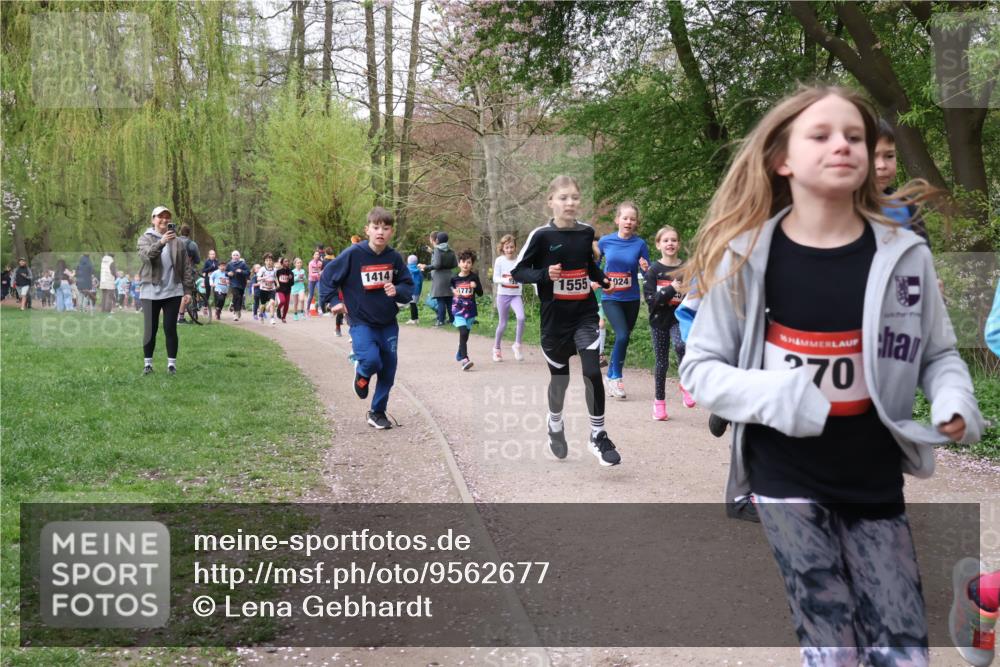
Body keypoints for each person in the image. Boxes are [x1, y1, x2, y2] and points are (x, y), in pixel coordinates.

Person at [679, 85, 984, 665]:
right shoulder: (744, 256)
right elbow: (700, 370)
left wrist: (953, 401)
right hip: (784, 473)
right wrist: (782, 393)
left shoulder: (903, 254)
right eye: (821, 135)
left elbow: (938, 354)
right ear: (782, 159)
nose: (842, 145)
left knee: (900, 646)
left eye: (855, 137)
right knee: (832, 642)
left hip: (871, 471)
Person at [512, 175, 619, 467]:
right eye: (563, 198)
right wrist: (545, 275)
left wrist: (602, 279)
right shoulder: (541, 236)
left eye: (574, 197)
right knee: (560, 380)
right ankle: (555, 424)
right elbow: (518, 272)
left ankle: (598, 435)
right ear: (551, 202)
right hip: (554, 322)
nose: (570, 203)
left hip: (584, 315)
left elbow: (589, 266)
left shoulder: (587, 232)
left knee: (592, 372)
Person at [319, 207, 414, 430]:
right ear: (367, 230)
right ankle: (362, 373)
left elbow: (408, 285)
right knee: (372, 360)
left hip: (388, 321)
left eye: (386, 228)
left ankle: (377, 412)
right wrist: (334, 302)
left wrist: (397, 290)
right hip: (361, 320)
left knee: (388, 369)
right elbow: (327, 277)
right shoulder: (353, 254)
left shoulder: (394, 258)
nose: (380, 232)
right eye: (376, 227)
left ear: (391, 232)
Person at [598, 201, 650, 399]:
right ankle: (617, 377)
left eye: (632, 219)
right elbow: (595, 265)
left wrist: (646, 268)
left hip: (632, 298)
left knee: (624, 338)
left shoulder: (640, 244)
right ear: (617, 220)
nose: (628, 221)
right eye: (625, 218)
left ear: (636, 223)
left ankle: (610, 375)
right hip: (611, 297)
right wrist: (596, 281)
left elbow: (648, 273)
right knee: (621, 335)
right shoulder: (605, 241)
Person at [137, 205, 194, 375]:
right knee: (150, 329)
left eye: (167, 217)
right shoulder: (144, 238)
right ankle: (148, 364)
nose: (164, 220)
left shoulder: (178, 242)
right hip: (150, 291)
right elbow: (146, 257)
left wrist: (188, 290)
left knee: (170, 328)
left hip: (173, 291)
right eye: (160, 217)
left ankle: (171, 365)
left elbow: (186, 267)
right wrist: (161, 242)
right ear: (153, 219)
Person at [644, 226, 693, 421]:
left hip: (680, 318)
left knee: (682, 345)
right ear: (658, 245)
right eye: (665, 240)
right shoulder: (654, 271)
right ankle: (659, 403)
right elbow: (651, 301)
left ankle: (686, 384)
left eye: (673, 240)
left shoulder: (687, 267)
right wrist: (671, 289)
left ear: (678, 244)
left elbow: (695, 292)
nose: (670, 243)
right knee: (661, 363)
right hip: (659, 320)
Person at [875, 120, 930, 244]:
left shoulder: (907, 207)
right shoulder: (837, 208)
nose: (882, 165)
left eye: (889, 156)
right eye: (872, 156)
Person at [492, 234, 526, 362]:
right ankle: (496, 349)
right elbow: (495, 278)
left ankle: (517, 345)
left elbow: (524, 277)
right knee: (503, 323)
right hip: (503, 295)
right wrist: (507, 279)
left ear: (515, 247)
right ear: (503, 248)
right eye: (507, 247)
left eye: (512, 247)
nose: (509, 249)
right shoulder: (499, 261)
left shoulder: (519, 261)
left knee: (521, 317)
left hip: (516, 295)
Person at [451, 249, 484, 370]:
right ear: (459, 263)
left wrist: (476, 286)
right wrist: (453, 291)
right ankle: (465, 359)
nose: (466, 264)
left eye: (469, 262)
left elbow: (480, 293)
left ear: (472, 264)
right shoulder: (454, 278)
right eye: (463, 261)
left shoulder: (474, 277)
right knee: (463, 332)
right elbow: (450, 287)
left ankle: (460, 352)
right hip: (458, 310)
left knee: (465, 336)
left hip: (470, 311)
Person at [421, 231, 457, 326]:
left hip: (439, 277)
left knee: (440, 300)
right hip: (449, 276)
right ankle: (452, 319)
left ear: (437, 240)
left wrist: (426, 267)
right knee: (449, 300)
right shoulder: (450, 250)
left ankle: (440, 320)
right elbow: (455, 264)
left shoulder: (437, 249)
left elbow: (437, 264)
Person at [226, 251, 249, 321]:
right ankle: (235, 313)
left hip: (242, 284)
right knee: (236, 296)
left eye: (237, 255)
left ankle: (238, 310)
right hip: (233, 283)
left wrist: (241, 271)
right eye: (234, 255)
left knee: (240, 298)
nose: (235, 256)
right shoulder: (229, 264)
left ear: (239, 256)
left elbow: (248, 272)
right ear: (231, 256)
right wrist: (228, 274)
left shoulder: (243, 264)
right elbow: (225, 272)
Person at [256, 254, 278, 325]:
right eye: (267, 260)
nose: (269, 262)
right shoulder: (262, 269)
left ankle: (272, 318)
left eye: (270, 260)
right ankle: (261, 314)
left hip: (272, 289)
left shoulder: (274, 269)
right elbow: (258, 278)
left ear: (272, 261)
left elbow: (275, 277)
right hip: (263, 290)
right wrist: (263, 278)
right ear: (265, 262)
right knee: (263, 305)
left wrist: (277, 283)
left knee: (272, 302)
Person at [404, 254, 423, 324]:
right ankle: (416, 318)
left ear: (408, 261)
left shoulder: (406, 269)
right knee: (414, 304)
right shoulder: (419, 270)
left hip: (410, 289)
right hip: (417, 289)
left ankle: (413, 319)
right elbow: (421, 281)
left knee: (412, 304)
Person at [275, 256, 294, 323]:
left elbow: (292, 283)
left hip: (287, 290)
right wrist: (276, 286)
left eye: (288, 261)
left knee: (286, 304)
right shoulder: (278, 271)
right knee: (282, 301)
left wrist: (290, 278)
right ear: (282, 263)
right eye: (285, 261)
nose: (287, 263)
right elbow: (275, 280)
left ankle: (284, 317)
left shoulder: (290, 272)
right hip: (280, 290)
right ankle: (278, 309)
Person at [201, 249, 219, 319]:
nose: (212, 255)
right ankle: (205, 307)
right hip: (208, 278)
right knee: (207, 293)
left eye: (214, 254)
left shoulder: (217, 261)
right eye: (211, 254)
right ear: (209, 255)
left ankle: (217, 310)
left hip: (215, 279)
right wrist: (210, 268)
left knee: (216, 294)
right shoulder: (207, 262)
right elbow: (203, 270)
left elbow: (219, 269)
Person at [307, 250, 323, 315]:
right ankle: (307, 309)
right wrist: (318, 274)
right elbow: (311, 274)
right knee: (311, 295)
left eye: (318, 254)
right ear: (313, 256)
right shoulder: (311, 263)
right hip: (311, 280)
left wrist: (321, 273)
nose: (317, 256)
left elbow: (322, 271)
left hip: (318, 280)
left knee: (320, 293)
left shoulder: (320, 263)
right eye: (315, 254)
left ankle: (319, 308)